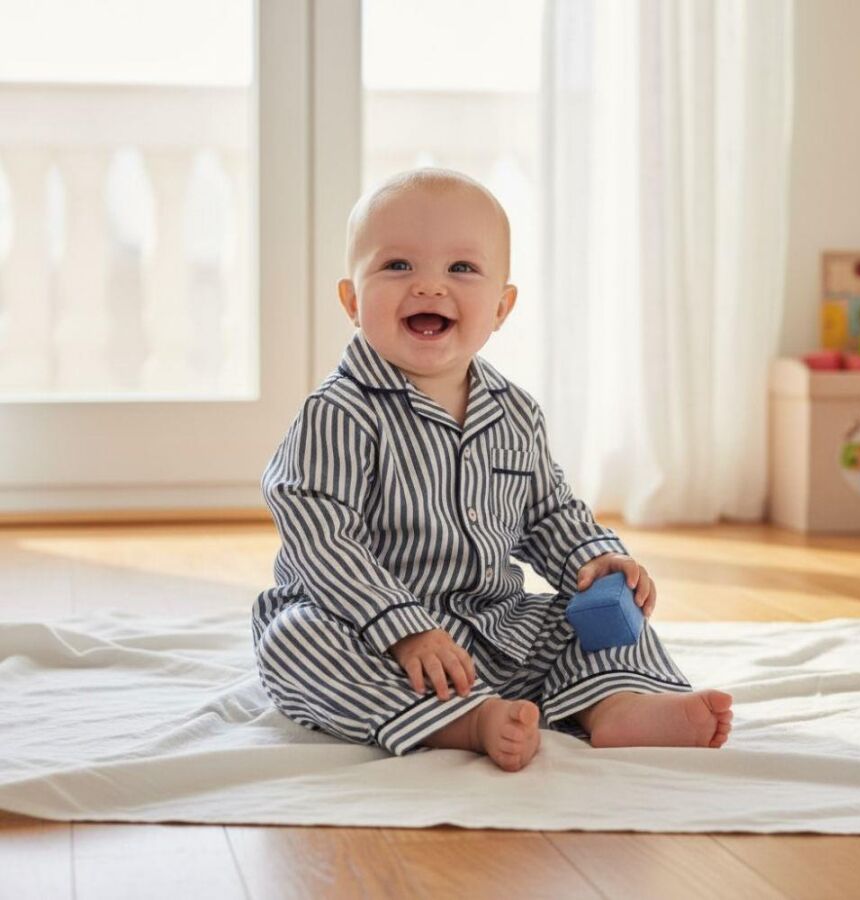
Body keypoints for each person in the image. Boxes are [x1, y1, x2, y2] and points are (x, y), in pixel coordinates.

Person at [251, 168, 733, 772]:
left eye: (461, 268)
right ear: (352, 300)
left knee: (587, 620)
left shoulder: (515, 413)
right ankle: (461, 721)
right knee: (295, 641)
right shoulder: (338, 412)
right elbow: (321, 538)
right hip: (368, 627)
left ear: (502, 307)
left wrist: (592, 560)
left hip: (493, 622)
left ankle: (615, 704)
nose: (429, 286)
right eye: (397, 265)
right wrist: (403, 628)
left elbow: (548, 513)